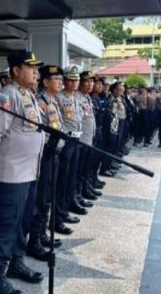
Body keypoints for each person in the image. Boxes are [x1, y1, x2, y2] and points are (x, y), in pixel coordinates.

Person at [0, 50, 45, 294]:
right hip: (11, 174)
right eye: (31, 68)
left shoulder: (28, 95)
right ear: (16, 70)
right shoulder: (7, 96)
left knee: (23, 221)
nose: (35, 73)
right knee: (6, 223)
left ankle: (16, 262)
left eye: (36, 69)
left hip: (29, 172)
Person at [27, 64, 65, 262]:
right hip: (44, 155)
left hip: (54, 154)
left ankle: (42, 234)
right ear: (46, 82)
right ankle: (34, 241)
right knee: (41, 199)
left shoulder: (53, 100)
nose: (60, 82)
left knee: (48, 196)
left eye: (60, 79)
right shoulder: (39, 102)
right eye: (56, 79)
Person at [54, 66, 84, 234]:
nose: (74, 83)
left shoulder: (77, 98)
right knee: (62, 181)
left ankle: (64, 212)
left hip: (76, 140)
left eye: (76, 80)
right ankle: (57, 218)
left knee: (71, 179)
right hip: (65, 142)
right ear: (65, 81)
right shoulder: (59, 98)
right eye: (71, 80)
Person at [76, 70, 100, 201]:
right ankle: (77, 196)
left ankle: (83, 190)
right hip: (81, 141)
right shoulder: (77, 97)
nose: (91, 84)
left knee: (86, 168)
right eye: (87, 81)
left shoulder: (87, 97)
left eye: (92, 81)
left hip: (88, 140)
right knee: (78, 171)